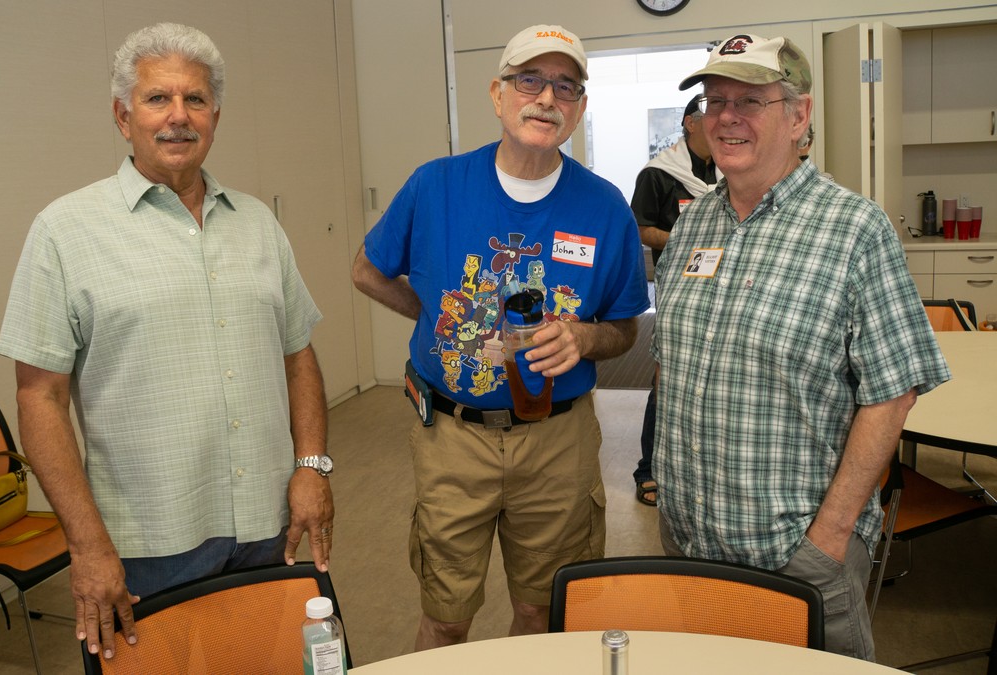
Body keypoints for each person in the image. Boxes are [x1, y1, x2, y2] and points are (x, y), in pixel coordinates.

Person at [0, 23, 334, 660]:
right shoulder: (65, 231)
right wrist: (87, 545)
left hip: (269, 526)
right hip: (145, 546)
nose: (178, 116)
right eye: (157, 98)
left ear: (215, 116)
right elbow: (39, 398)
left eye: (195, 99)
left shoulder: (258, 223)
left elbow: (297, 353)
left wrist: (311, 466)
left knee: (268, 666)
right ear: (123, 117)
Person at [650, 33, 950, 660]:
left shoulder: (854, 230)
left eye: (749, 101)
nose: (726, 117)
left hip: (796, 553)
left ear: (798, 116)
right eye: (714, 101)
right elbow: (671, 367)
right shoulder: (693, 223)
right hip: (688, 543)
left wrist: (828, 537)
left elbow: (893, 394)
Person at [352, 24, 649, 650]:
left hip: (558, 443)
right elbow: (367, 270)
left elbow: (625, 327)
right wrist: (435, 318)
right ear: (498, 94)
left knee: (543, 616)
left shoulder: (604, 207)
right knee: (445, 617)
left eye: (565, 87)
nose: (546, 98)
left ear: (580, 108)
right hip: (453, 438)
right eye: (529, 80)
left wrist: (584, 339)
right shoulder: (436, 186)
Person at [629, 94, 719, 506]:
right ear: (689, 123)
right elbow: (639, 228)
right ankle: (649, 468)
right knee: (667, 377)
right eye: (709, 114)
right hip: (679, 288)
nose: (719, 123)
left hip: (724, 287)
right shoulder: (659, 174)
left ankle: (701, 469)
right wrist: (689, 241)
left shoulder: (725, 169)